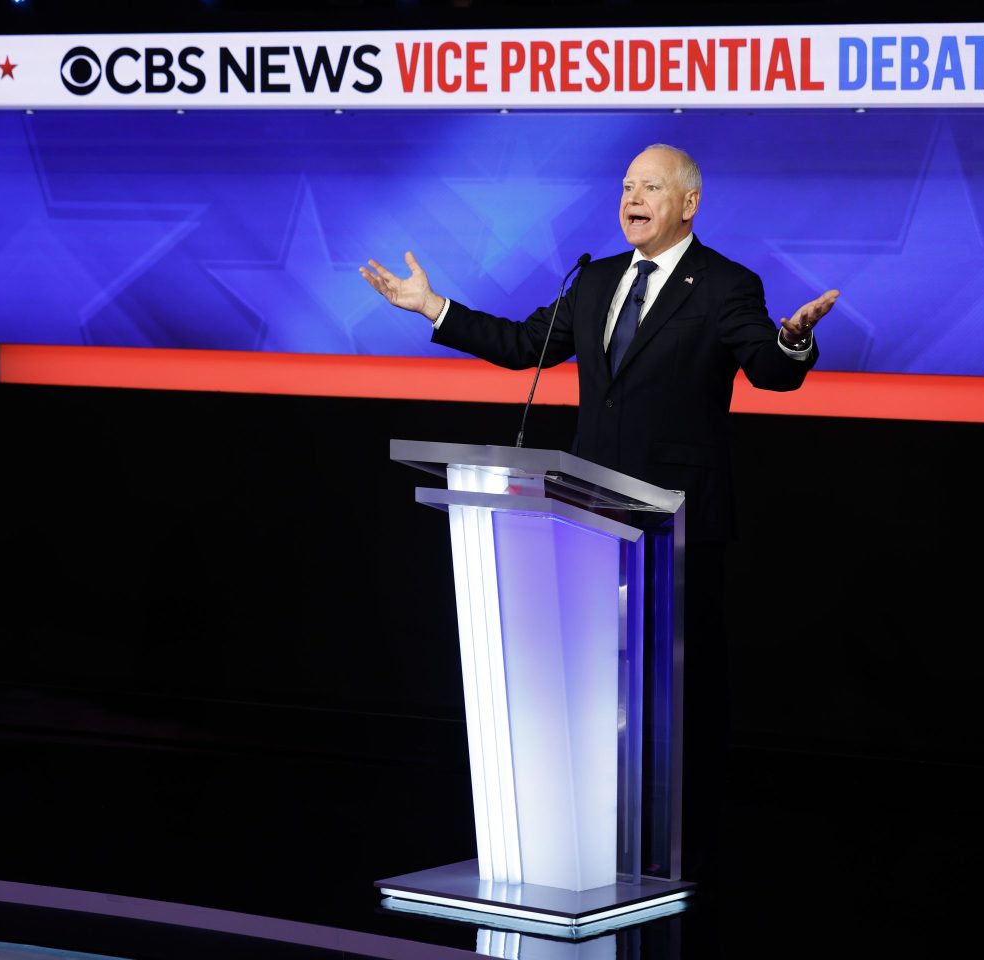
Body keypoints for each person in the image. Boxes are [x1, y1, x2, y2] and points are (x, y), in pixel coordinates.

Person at [360, 143, 839, 884]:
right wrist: (432, 307)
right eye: (625, 186)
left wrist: (794, 338)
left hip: (677, 525)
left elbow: (770, 372)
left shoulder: (724, 284)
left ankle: (687, 846)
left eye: (650, 187)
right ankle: (599, 831)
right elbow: (524, 345)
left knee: (681, 694)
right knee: (597, 685)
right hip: (586, 516)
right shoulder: (596, 280)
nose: (632, 198)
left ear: (689, 204)